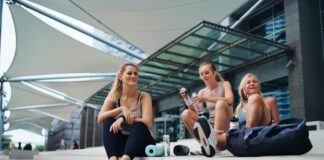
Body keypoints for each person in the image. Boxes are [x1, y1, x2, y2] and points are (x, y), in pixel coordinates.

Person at [200, 73, 280, 153]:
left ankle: (211, 136)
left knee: (255, 97)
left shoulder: (269, 101)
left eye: (254, 82)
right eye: (248, 82)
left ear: (259, 86)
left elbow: (276, 125)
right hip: (240, 139)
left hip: (258, 137)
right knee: (221, 103)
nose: (252, 83)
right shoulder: (240, 108)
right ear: (244, 89)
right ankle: (213, 141)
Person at [97, 63, 155, 160]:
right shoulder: (114, 96)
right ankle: (112, 158)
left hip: (142, 143)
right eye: (129, 73)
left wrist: (122, 118)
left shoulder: (144, 96)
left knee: (140, 125)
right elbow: (100, 118)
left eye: (135, 74)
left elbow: (148, 122)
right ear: (121, 77)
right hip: (123, 145)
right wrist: (121, 108)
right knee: (108, 121)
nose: (133, 76)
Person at [179, 60, 234, 157]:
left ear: (214, 73)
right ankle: (204, 145)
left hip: (226, 122)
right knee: (186, 113)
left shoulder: (225, 84)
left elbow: (230, 100)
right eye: (201, 74)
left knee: (221, 103)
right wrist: (187, 99)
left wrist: (207, 98)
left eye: (207, 72)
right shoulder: (202, 92)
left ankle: (215, 142)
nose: (204, 75)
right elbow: (197, 113)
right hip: (211, 123)